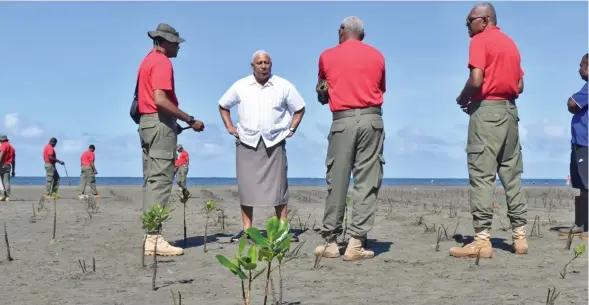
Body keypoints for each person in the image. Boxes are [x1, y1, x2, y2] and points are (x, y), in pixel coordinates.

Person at [451, 2, 528, 258]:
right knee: (511, 175)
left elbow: (476, 79)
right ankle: (520, 237)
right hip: (510, 112)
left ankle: (482, 240)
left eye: (469, 21)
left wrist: (463, 99)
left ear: (484, 21)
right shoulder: (511, 44)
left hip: (487, 113)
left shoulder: (480, 40)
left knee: (482, 175)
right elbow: (520, 84)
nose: (467, 27)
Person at [314, 16, 386, 261]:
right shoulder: (378, 56)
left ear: (342, 31)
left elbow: (322, 91)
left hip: (342, 120)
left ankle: (331, 242)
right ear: (362, 35)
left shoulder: (327, 55)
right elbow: (380, 87)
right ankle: (356, 241)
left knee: (338, 179)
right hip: (371, 118)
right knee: (367, 180)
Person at [218, 50, 306, 243]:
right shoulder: (240, 85)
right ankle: (247, 230)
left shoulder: (283, 85)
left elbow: (299, 108)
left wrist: (291, 129)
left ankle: (283, 229)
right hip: (247, 142)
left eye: (267, 62)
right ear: (253, 66)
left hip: (274, 142)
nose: (264, 66)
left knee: (279, 188)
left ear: (271, 64)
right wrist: (230, 127)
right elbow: (223, 105)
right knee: (246, 188)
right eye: (260, 63)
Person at [137, 23, 205, 256]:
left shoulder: (147, 60)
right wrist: (190, 119)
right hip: (158, 123)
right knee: (161, 180)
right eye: (176, 43)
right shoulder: (161, 62)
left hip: (147, 123)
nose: (178, 47)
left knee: (151, 179)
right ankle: (154, 237)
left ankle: (150, 235)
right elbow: (160, 99)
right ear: (164, 41)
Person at [558, 53, 588, 240]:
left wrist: (572, 102)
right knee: (582, 185)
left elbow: (572, 103)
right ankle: (582, 223)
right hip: (579, 142)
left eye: (582, 65)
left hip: (586, 142)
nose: (579, 69)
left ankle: (585, 225)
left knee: (587, 184)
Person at [0, 135, 15, 201]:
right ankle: (7, 196)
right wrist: (13, 170)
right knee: (6, 181)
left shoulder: (3, 145)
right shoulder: (12, 148)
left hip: (2, 164)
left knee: (3, 181)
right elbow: (14, 161)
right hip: (8, 165)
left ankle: (5, 195)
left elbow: (1, 154)